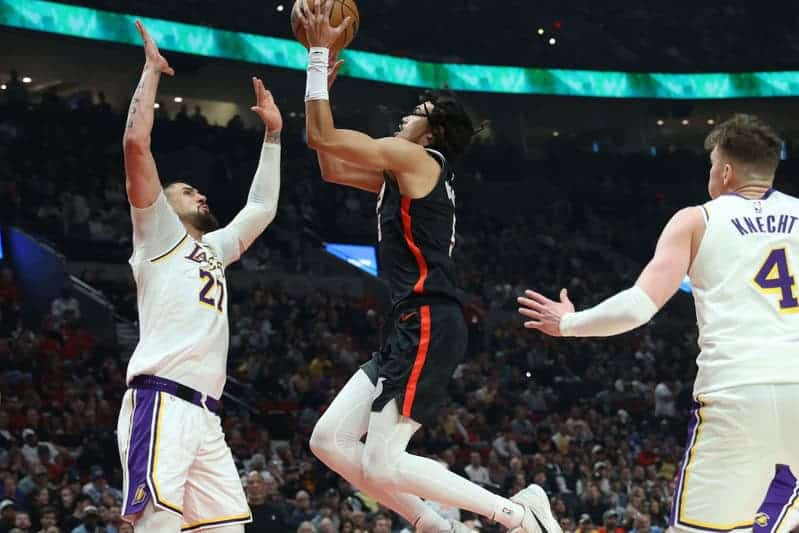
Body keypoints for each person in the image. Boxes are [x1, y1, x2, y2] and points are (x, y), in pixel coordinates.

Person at [297, 1, 560, 532]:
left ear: (434, 131)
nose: (403, 117)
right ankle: (441, 526)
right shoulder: (402, 171)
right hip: (407, 323)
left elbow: (325, 138)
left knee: (382, 463)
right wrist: (320, 79)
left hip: (428, 319)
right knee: (328, 440)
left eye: (415, 112)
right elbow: (328, 163)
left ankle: (517, 515)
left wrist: (318, 58)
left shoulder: (417, 160)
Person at [517, 114, 799, 531]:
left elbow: (638, 306)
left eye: (711, 166)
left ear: (725, 171)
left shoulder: (697, 220)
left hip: (737, 391)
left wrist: (568, 323)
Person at [116, 20, 282, 532]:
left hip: (206, 415)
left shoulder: (213, 248)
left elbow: (261, 208)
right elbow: (135, 143)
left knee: (227, 528)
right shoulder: (157, 234)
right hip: (162, 397)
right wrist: (151, 71)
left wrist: (274, 136)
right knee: (156, 524)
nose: (200, 195)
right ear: (164, 204)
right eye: (187, 191)